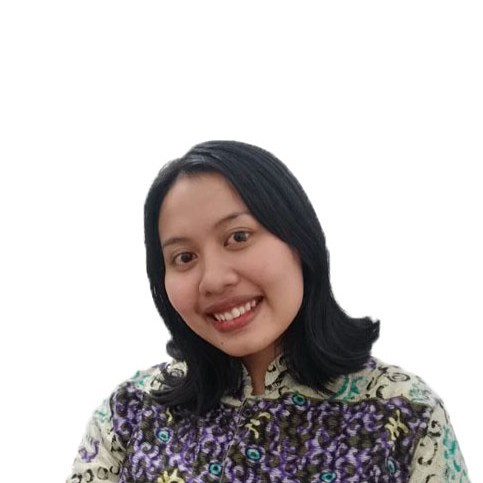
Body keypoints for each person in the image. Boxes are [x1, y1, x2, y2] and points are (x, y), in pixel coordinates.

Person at [67, 141, 469, 482]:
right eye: (184, 257)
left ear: (299, 239)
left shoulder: (406, 412)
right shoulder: (130, 414)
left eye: (238, 237)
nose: (214, 280)